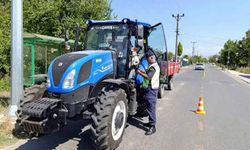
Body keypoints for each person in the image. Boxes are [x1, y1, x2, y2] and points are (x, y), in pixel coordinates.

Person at [136, 49, 160, 135]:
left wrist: (139, 72)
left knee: (151, 108)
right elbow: (147, 73)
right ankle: (150, 123)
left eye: (148, 59)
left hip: (152, 90)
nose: (147, 60)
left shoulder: (153, 67)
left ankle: (152, 126)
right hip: (150, 89)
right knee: (149, 106)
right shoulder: (153, 66)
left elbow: (148, 77)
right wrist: (142, 71)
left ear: (151, 58)